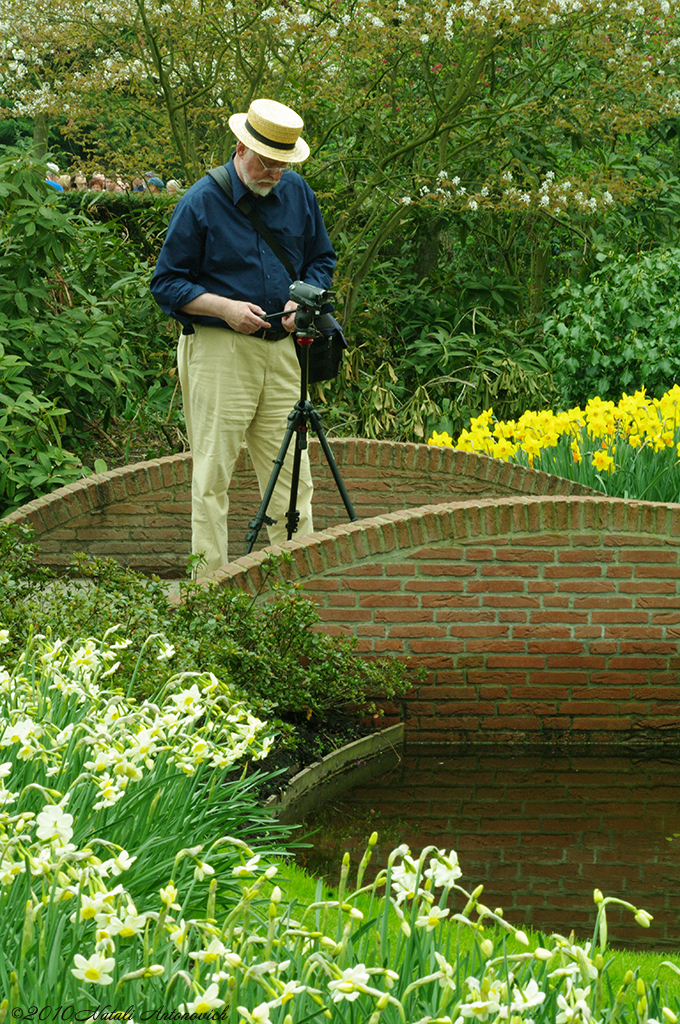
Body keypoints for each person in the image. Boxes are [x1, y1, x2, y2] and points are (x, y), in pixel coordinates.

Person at [151, 97, 336, 574]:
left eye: (282, 164)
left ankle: (294, 594)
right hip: (219, 349)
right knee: (212, 476)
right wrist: (224, 308)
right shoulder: (201, 201)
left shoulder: (298, 193)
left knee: (294, 479)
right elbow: (166, 282)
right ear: (240, 147)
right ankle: (208, 594)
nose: (274, 173)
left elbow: (322, 260)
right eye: (266, 162)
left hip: (282, 352)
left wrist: (302, 299)